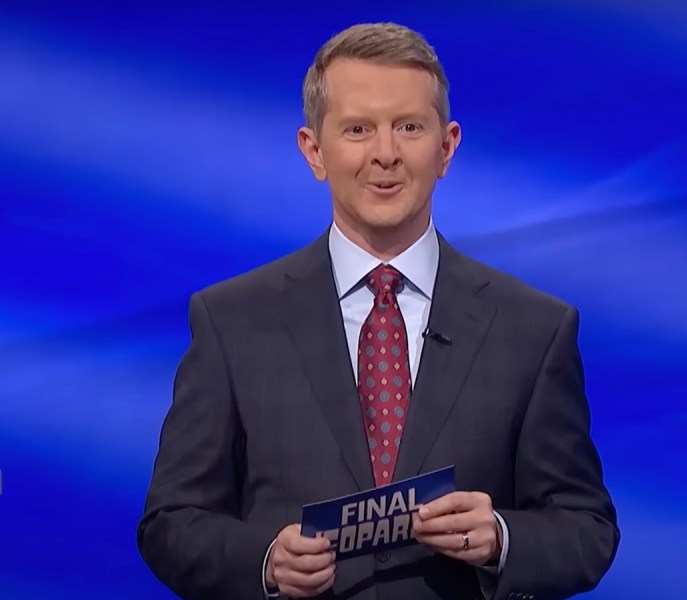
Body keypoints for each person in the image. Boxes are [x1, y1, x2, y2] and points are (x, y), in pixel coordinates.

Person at [137, 22, 619, 600]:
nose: (385, 154)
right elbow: (171, 522)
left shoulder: (534, 329)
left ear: (447, 147)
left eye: (409, 127)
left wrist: (500, 536)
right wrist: (265, 562)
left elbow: (586, 529)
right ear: (314, 150)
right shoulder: (231, 320)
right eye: (358, 129)